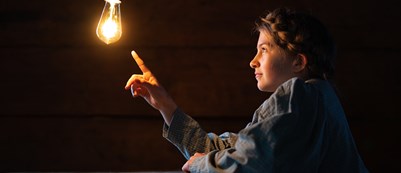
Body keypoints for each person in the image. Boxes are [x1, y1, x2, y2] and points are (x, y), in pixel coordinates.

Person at [125, 7, 369, 173]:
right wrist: (166, 106)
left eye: (264, 49)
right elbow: (231, 151)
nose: (253, 61)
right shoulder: (317, 98)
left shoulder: (298, 95)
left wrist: (201, 166)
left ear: (298, 62)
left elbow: (249, 161)